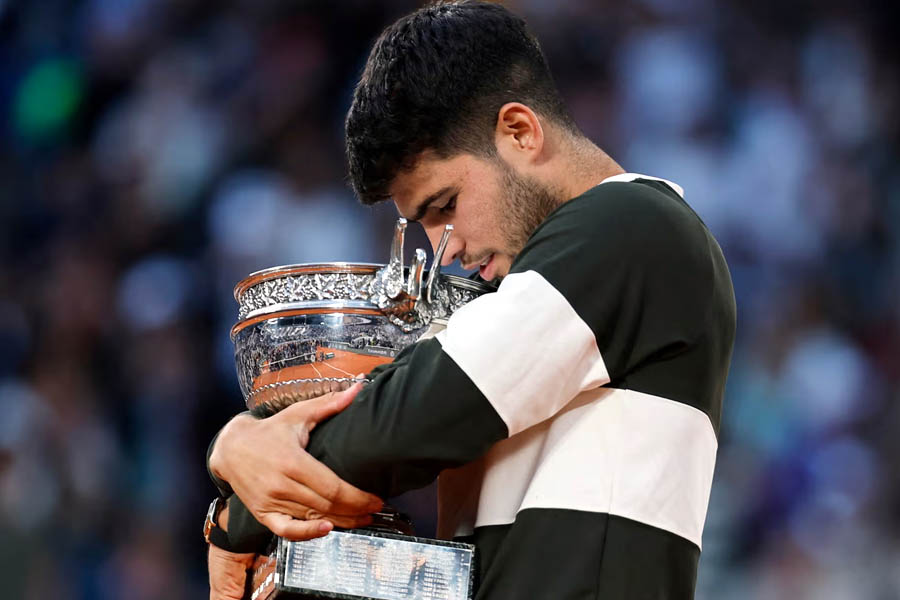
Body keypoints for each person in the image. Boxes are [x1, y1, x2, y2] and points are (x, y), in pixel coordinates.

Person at [204, 1, 736, 598]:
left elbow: (410, 418)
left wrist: (240, 510)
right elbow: (380, 399)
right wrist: (239, 443)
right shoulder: (525, 290)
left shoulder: (634, 225)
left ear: (520, 131)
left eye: (446, 205)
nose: (443, 250)